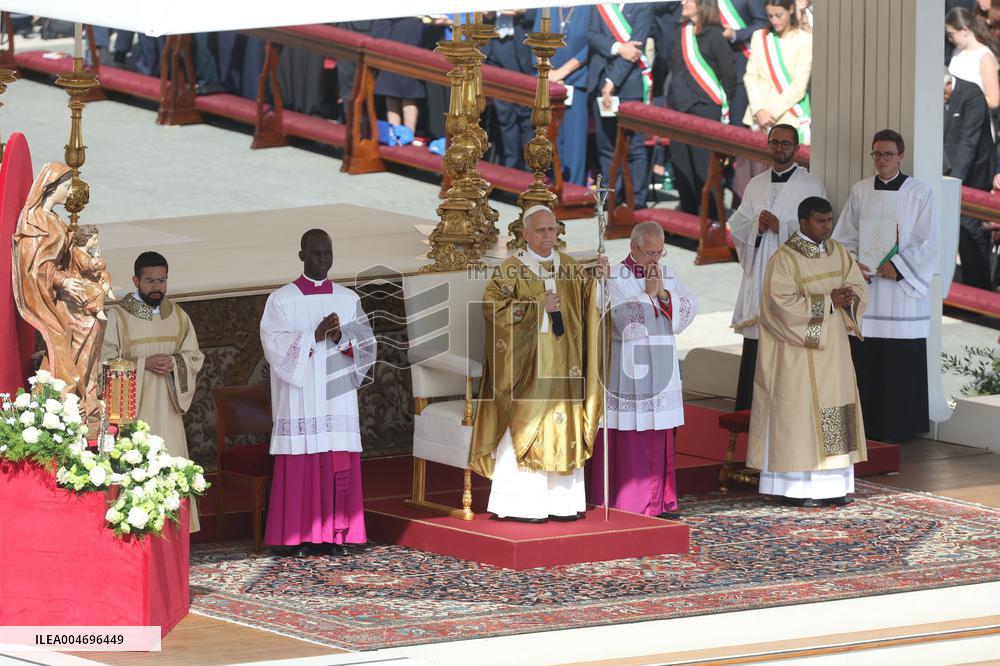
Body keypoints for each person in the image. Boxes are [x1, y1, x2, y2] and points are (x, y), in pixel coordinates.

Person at [470, 206, 605, 523]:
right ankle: (522, 505)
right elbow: (493, 309)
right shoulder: (511, 270)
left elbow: (591, 308)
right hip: (528, 367)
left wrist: (600, 282)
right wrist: (536, 306)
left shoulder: (570, 268)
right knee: (528, 426)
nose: (548, 235)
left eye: (552, 229)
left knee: (563, 423)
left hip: (566, 363)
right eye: (541, 230)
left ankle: (562, 502)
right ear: (525, 234)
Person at [260, 229, 375, 557]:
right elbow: (274, 346)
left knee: (337, 462)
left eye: (327, 252)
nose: (323, 259)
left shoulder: (348, 299)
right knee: (303, 465)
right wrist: (314, 335)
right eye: (315, 253)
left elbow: (367, 349)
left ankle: (337, 535)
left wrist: (339, 337)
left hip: (337, 398)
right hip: (301, 399)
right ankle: (301, 536)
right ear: (302, 256)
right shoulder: (282, 300)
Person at [748, 196, 869, 507]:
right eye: (820, 221)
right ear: (803, 223)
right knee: (798, 415)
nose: (827, 227)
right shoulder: (784, 259)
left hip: (834, 350)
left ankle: (834, 484)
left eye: (829, 221)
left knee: (836, 409)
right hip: (797, 353)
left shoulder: (838, 252)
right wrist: (828, 302)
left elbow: (857, 285)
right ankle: (796, 488)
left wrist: (849, 298)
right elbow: (779, 307)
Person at [833, 130, 937, 443]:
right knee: (867, 360)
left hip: (901, 294)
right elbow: (844, 235)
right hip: (868, 288)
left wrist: (899, 266)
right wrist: (854, 264)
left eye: (888, 154)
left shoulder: (920, 192)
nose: (882, 160)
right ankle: (865, 427)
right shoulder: (861, 190)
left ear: (900, 156)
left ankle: (898, 428)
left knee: (899, 362)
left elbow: (928, 241)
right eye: (877, 154)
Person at [589, 221, 697, 518]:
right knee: (632, 436)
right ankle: (631, 502)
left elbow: (690, 306)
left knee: (659, 432)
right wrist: (649, 295)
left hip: (662, 365)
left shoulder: (667, 273)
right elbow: (619, 323)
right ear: (633, 247)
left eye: (660, 252)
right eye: (650, 253)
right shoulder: (613, 276)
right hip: (629, 369)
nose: (656, 259)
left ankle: (661, 501)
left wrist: (664, 296)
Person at [102, 252, 205, 531]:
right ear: (136, 281)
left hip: (169, 411)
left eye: (162, 280)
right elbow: (103, 362)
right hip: (134, 413)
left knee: (172, 469)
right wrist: (143, 364)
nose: (157, 287)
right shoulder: (118, 316)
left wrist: (174, 362)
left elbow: (193, 356)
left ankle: (174, 536)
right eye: (150, 281)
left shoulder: (178, 316)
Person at [729, 124, 826, 410]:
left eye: (786, 143)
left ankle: (787, 408)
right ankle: (750, 410)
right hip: (760, 273)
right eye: (775, 143)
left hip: (791, 278)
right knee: (757, 344)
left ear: (797, 147)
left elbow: (820, 232)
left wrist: (781, 227)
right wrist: (756, 228)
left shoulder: (811, 185)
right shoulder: (756, 184)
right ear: (768, 145)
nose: (780, 148)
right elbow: (739, 224)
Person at [12, 163, 102, 423]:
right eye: (66, 187)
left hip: (60, 288)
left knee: (92, 323)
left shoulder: (55, 219)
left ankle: (81, 393)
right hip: (42, 293)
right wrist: (63, 281)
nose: (70, 192)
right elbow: (34, 268)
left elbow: (66, 256)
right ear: (52, 188)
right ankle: (64, 394)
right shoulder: (34, 222)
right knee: (66, 332)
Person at [667, 0, 738, 216]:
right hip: (679, 108)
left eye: (688, 0)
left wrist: (719, 103)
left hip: (705, 109)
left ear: (702, 5)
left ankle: (713, 217)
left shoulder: (714, 36)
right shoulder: (681, 32)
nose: (682, 2)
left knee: (704, 169)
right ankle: (688, 216)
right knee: (682, 167)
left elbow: (729, 75)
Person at [589, 2, 654, 208]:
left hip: (629, 86)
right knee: (606, 145)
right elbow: (592, 35)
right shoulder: (602, 5)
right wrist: (618, 48)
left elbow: (634, 50)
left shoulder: (643, 6)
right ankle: (611, 199)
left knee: (634, 146)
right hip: (600, 80)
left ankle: (636, 200)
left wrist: (612, 82)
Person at [944, 70, 997, 289]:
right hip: (949, 175)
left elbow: (968, 142)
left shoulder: (972, 94)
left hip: (974, 177)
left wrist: (953, 181)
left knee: (970, 232)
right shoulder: (939, 96)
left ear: (948, 85)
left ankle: (979, 289)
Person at [534, 5, 592, 186]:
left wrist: (562, 73)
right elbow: (536, 40)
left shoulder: (590, 7)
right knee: (549, 137)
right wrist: (548, 71)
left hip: (576, 80)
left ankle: (573, 188)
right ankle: (550, 185)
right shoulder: (546, 7)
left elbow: (591, 45)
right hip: (548, 79)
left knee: (574, 142)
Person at [744, 0, 812, 143]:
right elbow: (751, 77)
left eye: (779, 15)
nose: (774, 21)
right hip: (758, 118)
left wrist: (770, 114)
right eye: (770, 16)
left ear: (791, 10)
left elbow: (799, 86)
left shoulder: (805, 40)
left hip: (788, 116)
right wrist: (758, 110)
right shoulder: (759, 37)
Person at [485, 10, 537, 168]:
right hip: (494, 44)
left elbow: (536, 12)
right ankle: (511, 164)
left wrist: (520, 10)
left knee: (525, 112)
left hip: (518, 46)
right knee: (505, 114)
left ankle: (530, 167)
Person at [372, 18, 427, 142]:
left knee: (409, 89)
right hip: (387, 25)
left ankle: (409, 134)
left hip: (409, 25)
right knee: (390, 88)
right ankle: (394, 133)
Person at [716, 0, 768, 129]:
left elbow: (762, 24)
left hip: (739, 69)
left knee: (736, 127)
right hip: (710, 68)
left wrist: (736, 34)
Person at [946, 8, 1000, 116]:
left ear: (964, 30)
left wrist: (962, 98)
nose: (949, 39)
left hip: (976, 121)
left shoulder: (985, 57)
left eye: (951, 34)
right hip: (957, 119)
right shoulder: (956, 52)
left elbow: (994, 101)